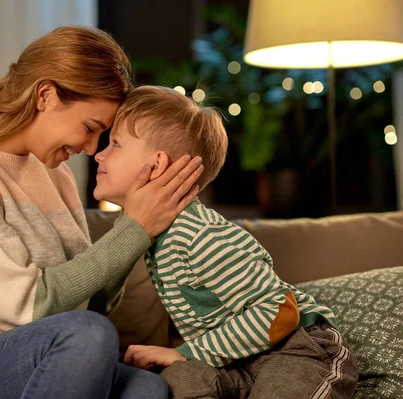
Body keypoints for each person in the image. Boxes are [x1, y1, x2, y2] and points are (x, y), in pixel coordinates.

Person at [0, 27, 204, 399]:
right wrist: (134, 228)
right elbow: (25, 306)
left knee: (147, 390)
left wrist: (138, 221)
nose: (90, 148)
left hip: (34, 356)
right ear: (46, 95)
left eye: (102, 136)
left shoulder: (56, 175)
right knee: (88, 335)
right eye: (90, 128)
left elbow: (91, 301)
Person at [93, 85, 359, 398]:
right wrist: (185, 357)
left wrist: (188, 351)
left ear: (156, 165)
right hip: (239, 363)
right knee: (181, 379)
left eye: (114, 143)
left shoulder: (198, 235)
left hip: (298, 350)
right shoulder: (157, 236)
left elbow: (280, 312)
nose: (99, 153)